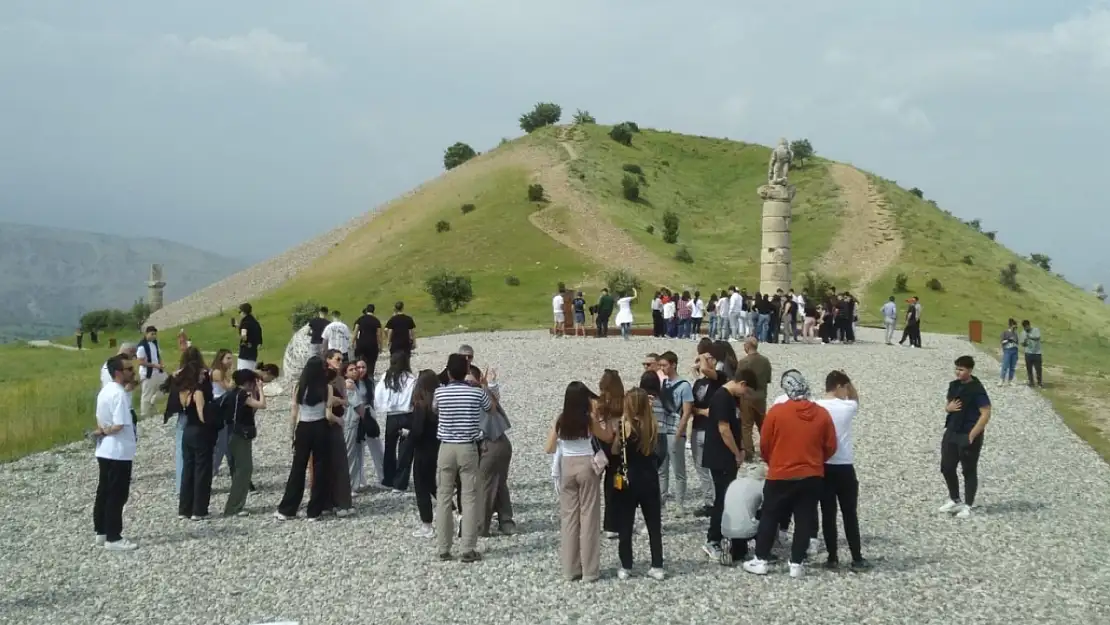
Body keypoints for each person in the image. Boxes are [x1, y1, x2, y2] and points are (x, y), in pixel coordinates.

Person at [743, 370, 837, 578]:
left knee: (770, 514)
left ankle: (761, 559)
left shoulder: (778, 412)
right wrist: (817, 460)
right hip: (811, 473)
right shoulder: (822, 414)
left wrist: (772, 460)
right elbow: (831, 445)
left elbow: (765, 443)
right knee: (804, 518)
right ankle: (796, 562)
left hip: (781, 472)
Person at [545, 381, 613, 582]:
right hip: (586, 465)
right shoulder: (589, 420)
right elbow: (608, 437)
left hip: (567, 467)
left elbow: (549, 448)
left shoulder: (560, 420)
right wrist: (605, 418)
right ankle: (590, 570)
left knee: (569, 519)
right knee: (589, 518)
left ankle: (570, 569)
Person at [434, 353, 496, 562]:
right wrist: (484, 385)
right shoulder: (476, 393)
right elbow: (491, 409)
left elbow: (435, 409)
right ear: (467, 372)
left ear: (449, 372)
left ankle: (444, 547)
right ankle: (467, 547)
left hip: (446, 447)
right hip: (468, 446)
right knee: (469, 498)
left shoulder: (440, 393)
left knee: (443, 497)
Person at [702, 367, 759, 566]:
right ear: (742, 384)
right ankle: (713, 539)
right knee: (723, 499)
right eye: (747, 391)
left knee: (729, 498)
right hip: (720, 456)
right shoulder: (722, 397)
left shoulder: (732, 398)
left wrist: (742, 448)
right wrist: (736, 453)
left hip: (728, 456)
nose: (746, 396)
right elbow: (724, 429)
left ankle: (733, 541)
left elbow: (736, 426)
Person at [816, 371, 870, 570]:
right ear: (839, 386)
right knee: (849, 513)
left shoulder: (817, 405)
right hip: (844, 465)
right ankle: (856, 557)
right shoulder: (847, 406)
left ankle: (832, 557)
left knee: (828, 513)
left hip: (824, 465)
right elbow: (855, 398)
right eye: (845, 387)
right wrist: (850, 382)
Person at [611, 388, 666, 580]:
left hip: (629, 479)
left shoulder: (623, 426)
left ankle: (626, 565)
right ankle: (657, 565)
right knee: (653, 525)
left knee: (626, 524)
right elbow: (662, 454)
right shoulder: (653, 425)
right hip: (650, 478)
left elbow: (616, 450)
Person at [275, 356, 337, 521]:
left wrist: (291, 432)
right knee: (320, 468)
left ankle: (288, 509)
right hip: (321, 426)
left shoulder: (299, 387)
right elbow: (328, 411)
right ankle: (315, 510)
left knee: (298, 467)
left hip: (304, 426)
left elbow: (294, 412)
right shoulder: (327, 388)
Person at [93, 355, 139, 550]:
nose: (133, 372)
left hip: (104, 450)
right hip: (118, 451)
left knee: (103, 491)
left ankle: (101, 531)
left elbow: (100, 418)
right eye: (129, 369)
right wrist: (104, 430)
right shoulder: (118, 394)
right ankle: (114, 537)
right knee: (117, 494)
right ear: (119, 373)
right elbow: (119, 424)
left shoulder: (105, 391)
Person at [939, 356, 992, 518]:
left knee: (968, 470)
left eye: (961, 369)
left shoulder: (977, 389)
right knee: (946, 467)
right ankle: (955, 499)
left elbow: (986, 412)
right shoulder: (953, 386)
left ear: (969, 370)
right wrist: (948, 408)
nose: (958, 372)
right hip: (952, 431)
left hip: (968, 433)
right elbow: (948, 406)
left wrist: (973, 434)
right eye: (956, 368)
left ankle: (968, 505)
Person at [174, 355, 214, 521]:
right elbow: (201, 414)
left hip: (187, 431)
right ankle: (199, 509)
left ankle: (184, 508)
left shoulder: (183, 391)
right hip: (199, 430)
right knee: (202, 470)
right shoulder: (198, 391)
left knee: (188, 470)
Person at [476, 365, 514, 537]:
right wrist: (488, 385)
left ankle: (481, 527)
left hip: (490, 443)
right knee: (499, 483)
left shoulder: (477, 397)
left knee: (486, 485)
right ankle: (506, 522)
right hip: (501, 443)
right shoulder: (484, 395)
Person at [223, 369, 266, 517]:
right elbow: (262, 405)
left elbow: (252, 410)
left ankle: (235, 505)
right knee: (244, 470)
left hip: (232, 433)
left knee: (241, 469)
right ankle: (234, 507)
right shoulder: (242, 395)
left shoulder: (234, 393)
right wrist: (260, 389)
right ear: (248, 382)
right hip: (240, 435)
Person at [657, 351, 693, 510]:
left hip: (675, 431)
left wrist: (680, 433)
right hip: (663, 430)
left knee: (679, 469)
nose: (662, 368)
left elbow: (686, 412)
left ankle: (680, 504)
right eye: (661, 365)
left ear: (674, 365)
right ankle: (661, 500)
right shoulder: (663, 384)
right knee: (662, 469)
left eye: (664, 365)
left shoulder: (684, 385)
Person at [374, 350, 415, 492]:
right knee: (405, 449)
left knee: (390, 448)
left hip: (391, 415)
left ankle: (388, 479)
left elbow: (378, 393)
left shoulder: (386, 376)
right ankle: (400, 483)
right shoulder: (410, 378)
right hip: (406, 415)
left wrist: (383, 406)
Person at [409, 370, 442, 538]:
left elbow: (417, 431)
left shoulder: (421, 405)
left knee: (421, 487)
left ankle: (427, 524)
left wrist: (408, 438)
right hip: (436, 447)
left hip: (422, 450)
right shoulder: (437, 405)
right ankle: (454, 509)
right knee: (431, 484)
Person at [597, 369, 625, 539]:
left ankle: (604, 524)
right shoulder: (622, 402)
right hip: (617, 446)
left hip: (602, 444)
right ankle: (615, 523)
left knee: (599, 485)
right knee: (616, 485)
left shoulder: (601, 402)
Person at [737, 337, 772, 459]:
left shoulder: (743, 362)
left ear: (747, 346)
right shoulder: (765, 361)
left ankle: (748, 453)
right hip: (761, 397)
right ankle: (767, 451)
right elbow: (768, 379)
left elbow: (737, 381)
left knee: (746, 426)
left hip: (747, 397)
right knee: (763, 425)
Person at [135, 326, 166, 422]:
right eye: (152, 334)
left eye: (155, 334)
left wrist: (161, 363)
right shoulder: (141, 346)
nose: (154, 336)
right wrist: (153, 365)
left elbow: (157, 354)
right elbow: (140, 362)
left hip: (158, 371)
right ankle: (145, 415)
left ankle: (154, 400)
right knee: (146, 395)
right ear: (146, 334)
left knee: (167, 384)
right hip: (148, 373)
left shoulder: (154, 343)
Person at [353, 304, 383, 378]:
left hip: (361, 344)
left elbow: (355, 332)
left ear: (366, 310)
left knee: (359, 363)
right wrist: (380, 346)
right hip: (372, 345)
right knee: (371, 364)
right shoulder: (376, 321)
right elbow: (379, 335)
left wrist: (352, 342)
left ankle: (359, 378)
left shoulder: (360, 319)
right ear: (374, 310)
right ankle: (369, 379)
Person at [237, 303, 263, 370]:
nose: (239, 314)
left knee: (242, 373)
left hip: (245, 354)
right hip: (253, 353)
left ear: (243, 312)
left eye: (240, 312)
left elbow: (244, 336)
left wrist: (242, 339)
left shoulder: (245, 322)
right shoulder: (255, 322)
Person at [1020, 320, 1043, 387]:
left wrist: (1029, 337)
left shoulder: (1036, 330)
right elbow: (1022, 344)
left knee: (1038, 369)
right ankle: (1031, 382)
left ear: (1029, 325)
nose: (1025, 329)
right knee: (1029, 369)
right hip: (1028, 353)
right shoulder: (1023, 333)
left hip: (1037, 353)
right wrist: (1024, 342)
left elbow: (1038, 337)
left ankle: (1039, 382)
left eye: (1026, 327)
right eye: (1024, 328)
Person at [999, 318, 1020, 386]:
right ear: (1011, 326)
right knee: (1005, 366)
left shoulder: (1015, 334)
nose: (1015, 328)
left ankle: (1010, 381)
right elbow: (1002, 342)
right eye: (1014, 326)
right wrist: (1008, 340)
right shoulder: (1005, 332)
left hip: (1014, 350)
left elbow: (1017, 343)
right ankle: (1001, 380)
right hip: (1007, 350)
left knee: (1012, 367)